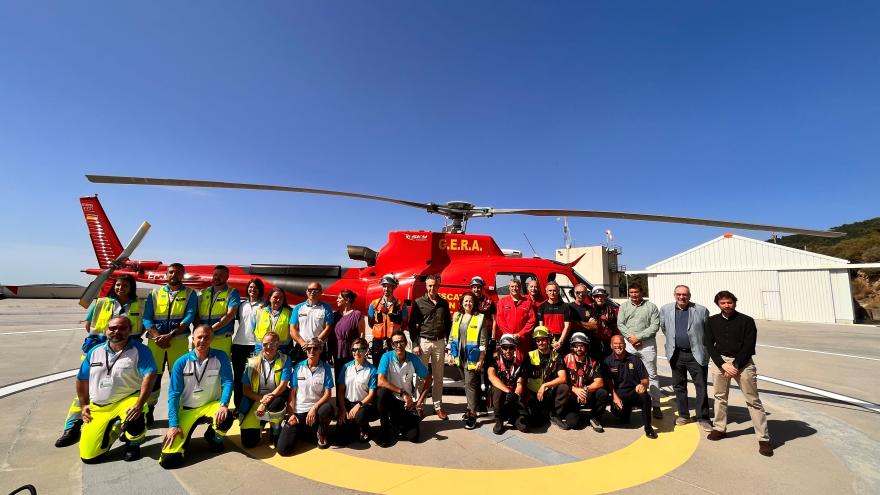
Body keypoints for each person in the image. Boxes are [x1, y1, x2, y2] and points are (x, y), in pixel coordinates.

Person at [57, 275, 143, 448]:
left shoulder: (139, 305)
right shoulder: (102, 302)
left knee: (124, 388)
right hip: (97, 350)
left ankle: (123, 424)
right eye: (118, 285)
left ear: (131, 287)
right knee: (86, 390)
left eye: (125, 285)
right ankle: (72, 427)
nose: (121, 288)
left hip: (126, 351)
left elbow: (142, 326)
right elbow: (89, 325)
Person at [75, 316, 157, 463]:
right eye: (112, 328)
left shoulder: (140, 350)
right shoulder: (95, 351)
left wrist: (139, 404)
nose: (116, 331)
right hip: (99, 406)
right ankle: (117, 428)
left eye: (122, 328)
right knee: (89, 457)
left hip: (127, 399)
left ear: (129, 331)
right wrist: (84, 405)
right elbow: (82, 379)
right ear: (106, 330)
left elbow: (150, 375)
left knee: (134, 415)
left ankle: (133, 444)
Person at [705, 291, 773, 457]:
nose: (727, 306)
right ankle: (720, 428)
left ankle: (763, 439)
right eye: (723, 303)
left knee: (753, 400)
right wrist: (722, 364)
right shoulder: (711, 321)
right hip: (720, 362)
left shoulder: (747, 321)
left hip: (743, 363)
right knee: (720, 397)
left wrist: (735, 365)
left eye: (729, 302)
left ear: (735, 302)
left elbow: (749, 345)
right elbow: (708, 344)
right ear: (718, 304)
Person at [160, 325, 234, 468]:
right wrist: (173, 425)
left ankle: (213, 438)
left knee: (226, 418)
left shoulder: (221, 356)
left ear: (211, 339)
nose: (203, 340)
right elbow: (174, 395)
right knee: (169, 462)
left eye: (206, 337)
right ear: (192, 339)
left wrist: (224, 404)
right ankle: (179, 447)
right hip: (187, 409)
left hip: (211, 405)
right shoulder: (180, 363)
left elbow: (228, 381)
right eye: (199, 337)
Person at [142, 263, 198, 424]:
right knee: (153, 378)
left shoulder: (190, 294)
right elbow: (147, 317)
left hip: (178, 341)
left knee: (178, 377)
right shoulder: (155, 293)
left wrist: (171, 335)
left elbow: (189, 317)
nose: (174, 275)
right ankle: (148, 411)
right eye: (171, 272)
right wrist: (157, 336)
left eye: (178, 273)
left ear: (183, 275)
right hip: (156, 342)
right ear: (167, 274)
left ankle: (177, 410)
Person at [659, 285, 712, 431]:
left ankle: (703, 417)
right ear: (674, 295)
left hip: (696, 354)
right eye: (678, 294)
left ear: (689, 295)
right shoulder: (666, 309)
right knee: (679, 385)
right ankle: (684, 415)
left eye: (685, 294)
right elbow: (664, 328)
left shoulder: (701, 310)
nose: (681, 297)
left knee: (701, 386)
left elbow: (708, 332)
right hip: (676, 354)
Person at [276, 338, 336, 454]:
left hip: (315, 412)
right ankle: (303, 431)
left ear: (321, 350)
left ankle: (321, 432)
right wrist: (291, 414)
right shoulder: (298, 367)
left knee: (327, 409)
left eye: (315, 348)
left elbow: (328, 394)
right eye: (309, 348)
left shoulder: (326, 368)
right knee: (283, 450)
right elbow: (292, 393)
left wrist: (314, 407)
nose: (311, 351)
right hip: (299, 412)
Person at [376, 330, 432, 447]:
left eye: (401, 342)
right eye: (395, 343)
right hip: (391, 399)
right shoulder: (386, 357)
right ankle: (384, 425)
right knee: (382, 392)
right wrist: (403, 392)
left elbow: (429, 379)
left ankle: (397, 423)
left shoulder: (413, 359)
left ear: (406, 343)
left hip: (405, 403)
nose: (398, 345)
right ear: (392, 345)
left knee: (414, 437)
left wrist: (420, 401)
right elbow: (380, 381)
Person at [239, 331, 292, 448]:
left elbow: (283, 385)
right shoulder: (252, 362)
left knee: (276, 404)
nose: (268, 347)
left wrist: (265, 402)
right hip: (256, 398)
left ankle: (275, 428)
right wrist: (262, 400)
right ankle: (261, 422)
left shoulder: (285, 360)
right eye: (265, 344)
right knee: (248, 442)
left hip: (275, 397)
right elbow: (246, 390)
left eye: (272, 344)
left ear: (278, 345)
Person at [616, 284, 662, 419]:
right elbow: (620, 324)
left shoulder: (651, 307)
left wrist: (639, 337)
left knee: (652, 375)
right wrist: (631, 338)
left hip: (647, 345)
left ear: (642, 292)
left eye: (636, 292)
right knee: (630, 374)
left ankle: (656, 405)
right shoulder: (624, 307)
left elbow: (655, 326)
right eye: (631, 292)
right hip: (630, 344)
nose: (634, 295)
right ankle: (635, 400)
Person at [409, 274, 451, 420]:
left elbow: (448, 324)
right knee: (421, 376)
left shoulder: (443, 303)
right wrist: (415, 344)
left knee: (439, 377)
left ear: (439, 286)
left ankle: (437, 406)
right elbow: (411, 326)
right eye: (430, 285)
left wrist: (447, 342)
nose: (432, 288)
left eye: (435, 285)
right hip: (424, 342)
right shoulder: (418, 302)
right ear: (426, 286)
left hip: (439, 342)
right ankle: (420, 406)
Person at [604, 335, 657, 439]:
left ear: (624, 345)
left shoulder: (634, 359)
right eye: (615, 344)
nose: (618, 346)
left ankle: (648, 428)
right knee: (618, 414)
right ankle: (625, 412)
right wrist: (615, 397)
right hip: (620, 394)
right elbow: (608, 381)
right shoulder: (608, 361)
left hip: (634, 392)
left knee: (645, 397)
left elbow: (645, 379)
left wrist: (643, 385)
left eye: (620, 344)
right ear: (611, 346)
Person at [448, 292, 488, 429]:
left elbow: (483, 341)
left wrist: (481, 359)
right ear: (462, 303)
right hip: (460, 356)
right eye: (465, 301)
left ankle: (472, 414)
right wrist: (450, 354)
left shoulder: (480, 318)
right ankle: (471, 408)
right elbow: (452, 335)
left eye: (470, 301)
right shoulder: (457, 316)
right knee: (468, 384)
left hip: (473, 357)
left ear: (474, 303)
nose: (468, 304)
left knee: (470, 384)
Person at [560, 332, 609, 432]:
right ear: (572, 347)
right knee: (574, 424)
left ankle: (594, 418)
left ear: (587, 347)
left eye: (582, 346)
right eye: (576, 346)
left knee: (602, 393)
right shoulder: (564, 360)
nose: (579, 349)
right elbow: (560, 380)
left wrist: (584, 389)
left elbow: (599, 382)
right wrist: (575, 390)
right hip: (571, 396)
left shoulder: (593, 362)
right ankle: (570, 413)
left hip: (586, 394)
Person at [524, 326, 570, 430]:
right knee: (536, 423)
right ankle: (544, 413)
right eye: (538, 340)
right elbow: (523, 378)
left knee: (564, 387)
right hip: (534, 394)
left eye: (543, 339)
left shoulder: (557, 356)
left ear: (549, 340)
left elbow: (563, 378)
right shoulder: (530, 355)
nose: (540, 342)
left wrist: (545, 385)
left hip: (549, 392)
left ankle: (554, 414)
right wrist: (526, 395)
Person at [336, 337, 379, 444]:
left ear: (366, 350)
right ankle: (354, 425)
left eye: (360, 349)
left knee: (360, 416)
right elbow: (341, 391)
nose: (357, 352)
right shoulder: (346, 367)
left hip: (363, 405)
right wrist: (342, 409)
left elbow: (371, 394)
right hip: (348, 403)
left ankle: (365, 429)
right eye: (354, 350)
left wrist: (358, 406)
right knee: (341, 438)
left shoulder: (372, 370)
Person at [231, 278, 265, 409]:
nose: (252, 290)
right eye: (250, 287)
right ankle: (238, 406)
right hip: (239, 344)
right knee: (238, 376)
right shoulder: (242, 305)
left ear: (260, 290)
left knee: (254, 378)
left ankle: (253, 405)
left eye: (255, 288)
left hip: (255, 346)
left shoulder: (264, 306)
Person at [486, 334, 529, 435]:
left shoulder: (519, 363)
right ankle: (499, 420)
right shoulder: (494, 360)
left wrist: (516, 394)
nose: (508, 351)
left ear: (515, 348)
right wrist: (508, 391)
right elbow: (491, 377)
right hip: (502, 393)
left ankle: (512, 417)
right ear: (501, 348)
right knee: (497, 391)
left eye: (511, 348)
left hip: (513, 396)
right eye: (505, 347)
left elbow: (520, 383)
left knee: (524, 427)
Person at [196, 265, 241, 357]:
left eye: (221, 275)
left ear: (227, 277)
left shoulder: (232, 292)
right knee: (200, 367)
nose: (217, 277)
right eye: (215, 274)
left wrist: (210, 330)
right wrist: (201, 331)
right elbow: (196, 313)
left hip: (221, 339)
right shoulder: (203, 292)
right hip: (202, 338)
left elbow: (230, 314)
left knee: (220, 369)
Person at [367, 274, 407, 367]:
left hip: (394, 341)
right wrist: (379, 330)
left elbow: (404, 322)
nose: (386, 289)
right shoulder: (374, 304)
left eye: (389, 287)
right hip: (378, 341)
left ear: (393, 288)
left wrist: (395, 332)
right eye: (384, 286)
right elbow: (370, 322)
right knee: (378, 366)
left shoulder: (401, 305)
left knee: (394, 366)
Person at [469, 276, 495, 412]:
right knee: (474, 371)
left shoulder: (489, 302)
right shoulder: (468, 301)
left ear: (482, 287)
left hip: (487, 341)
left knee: (487, 372)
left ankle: (486, 401)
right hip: (472, 342)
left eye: (479, 286)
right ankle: (477, 402)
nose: (476, 289)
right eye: (474, 286)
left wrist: (493, 338)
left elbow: (494, 320)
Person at [291, 282, 334, 362]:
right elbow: (292, 329)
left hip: (319, 347)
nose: (313, 292)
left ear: (321, 292)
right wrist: (302, 343)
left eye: (316, 290)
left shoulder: (327, 307)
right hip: (302, 347)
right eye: (310, 290)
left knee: (319, 373)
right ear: (306, 292)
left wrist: (316, 342)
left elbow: (328, 327)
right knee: (301, 373)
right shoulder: (298, 308)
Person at [494, 278, 536, 359]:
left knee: (523, 362)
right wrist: (509, 335)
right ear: (509, 287)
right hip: (507, 340)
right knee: (508, 361)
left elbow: (532, 320)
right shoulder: (502, 302)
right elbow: (500, 320)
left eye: (516, 286)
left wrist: (520, 334)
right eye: (512, 286)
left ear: (520, 287)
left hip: (522, 340)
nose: (514, 288)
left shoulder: (527, 302)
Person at [331, 289, 365, 380]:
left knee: (351, 380)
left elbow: (361, 336)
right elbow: (331, 336)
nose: (337, 300)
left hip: (352, 354)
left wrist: (360, 353)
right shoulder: (334, 316)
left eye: (339, 298)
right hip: (337, 353)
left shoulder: (357, 315)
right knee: (339, 380)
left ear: (347, 300)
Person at [254, 287, 294, 354]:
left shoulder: (290, 313)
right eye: (275, 297)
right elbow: (254, 329)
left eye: (281, 298)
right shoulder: (260, 311)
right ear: (270, 298)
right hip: (262, 348)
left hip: (281, 348)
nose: (278, 300)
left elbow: (292, 331)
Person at [537, 281, 573, 354]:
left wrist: (560, 342)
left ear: (558, 291)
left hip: (562, 339)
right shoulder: (541, 307)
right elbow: (541, 327)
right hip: (547, 339)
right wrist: (546, 341)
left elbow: (567, 326)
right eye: (550, 291)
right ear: (546, 291)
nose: (552, 293)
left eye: (554, 290)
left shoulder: (565, 307)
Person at [585, 287, 619, 361]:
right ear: (593, 297)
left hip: (608, 342)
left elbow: (616, 327)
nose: (599, 298)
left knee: (608, 362)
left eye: (602, 296)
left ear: (605, 297)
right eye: (597, 296)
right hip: (592, 341)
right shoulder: (588, 308)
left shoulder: (612, 309)